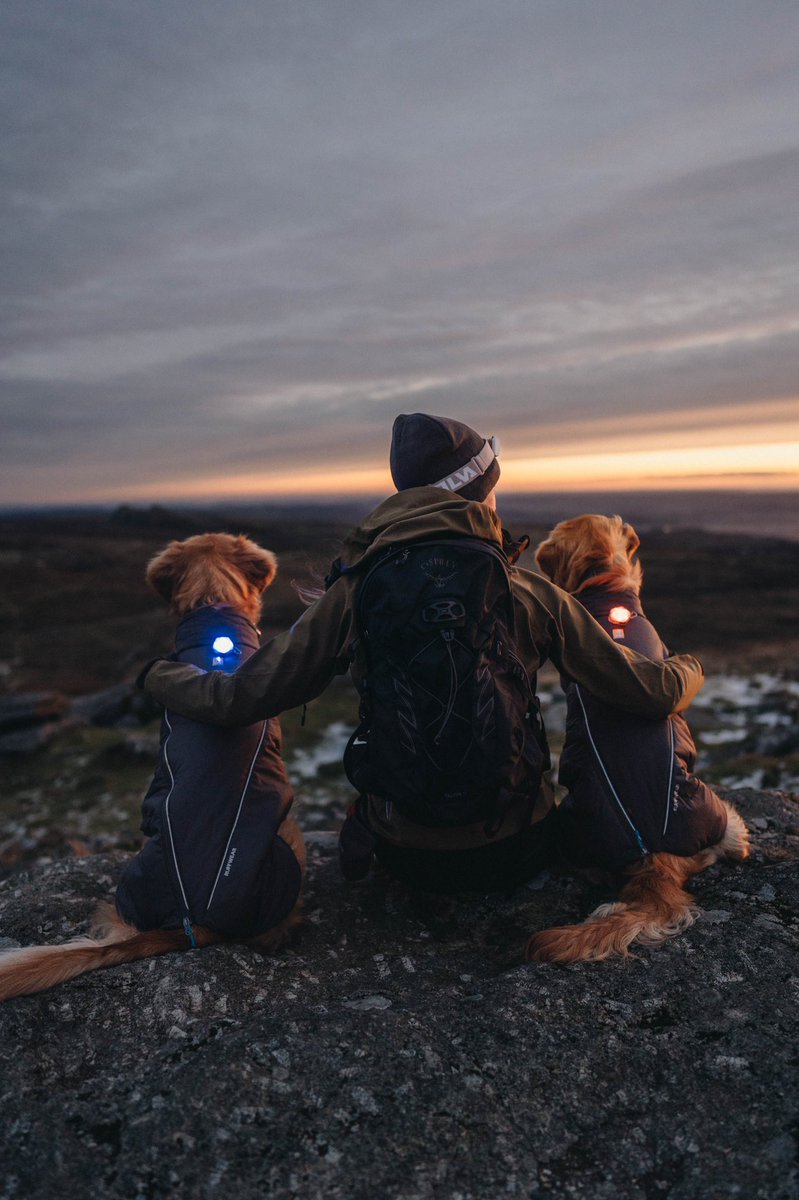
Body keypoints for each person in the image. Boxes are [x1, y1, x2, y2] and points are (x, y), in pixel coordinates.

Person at [140, 414, 705, 892]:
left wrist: (159, 676)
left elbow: (242, 697)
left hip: (407, 860)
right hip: (518, 851)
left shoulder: (357, 589)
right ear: (481, 491)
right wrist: (689, 666)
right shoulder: (525, 590)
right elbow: (649, 694)